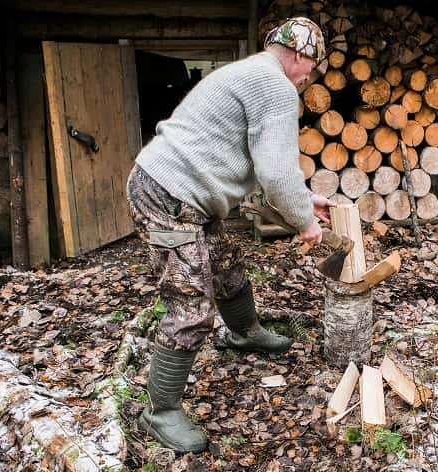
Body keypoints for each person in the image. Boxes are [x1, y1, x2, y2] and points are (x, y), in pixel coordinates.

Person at [125, 17, 332, 452]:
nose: (308, 77)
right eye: (310, 67)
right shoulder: (274, 84)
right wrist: (306, 224)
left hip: (183, 193)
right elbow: (276, 173)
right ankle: (159, 412)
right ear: (297, 55)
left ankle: (244, 332)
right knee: (191, 305)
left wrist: (303, 200)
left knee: (226, 265)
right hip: (168, 194)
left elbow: (261, 166)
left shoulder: (252, 73)